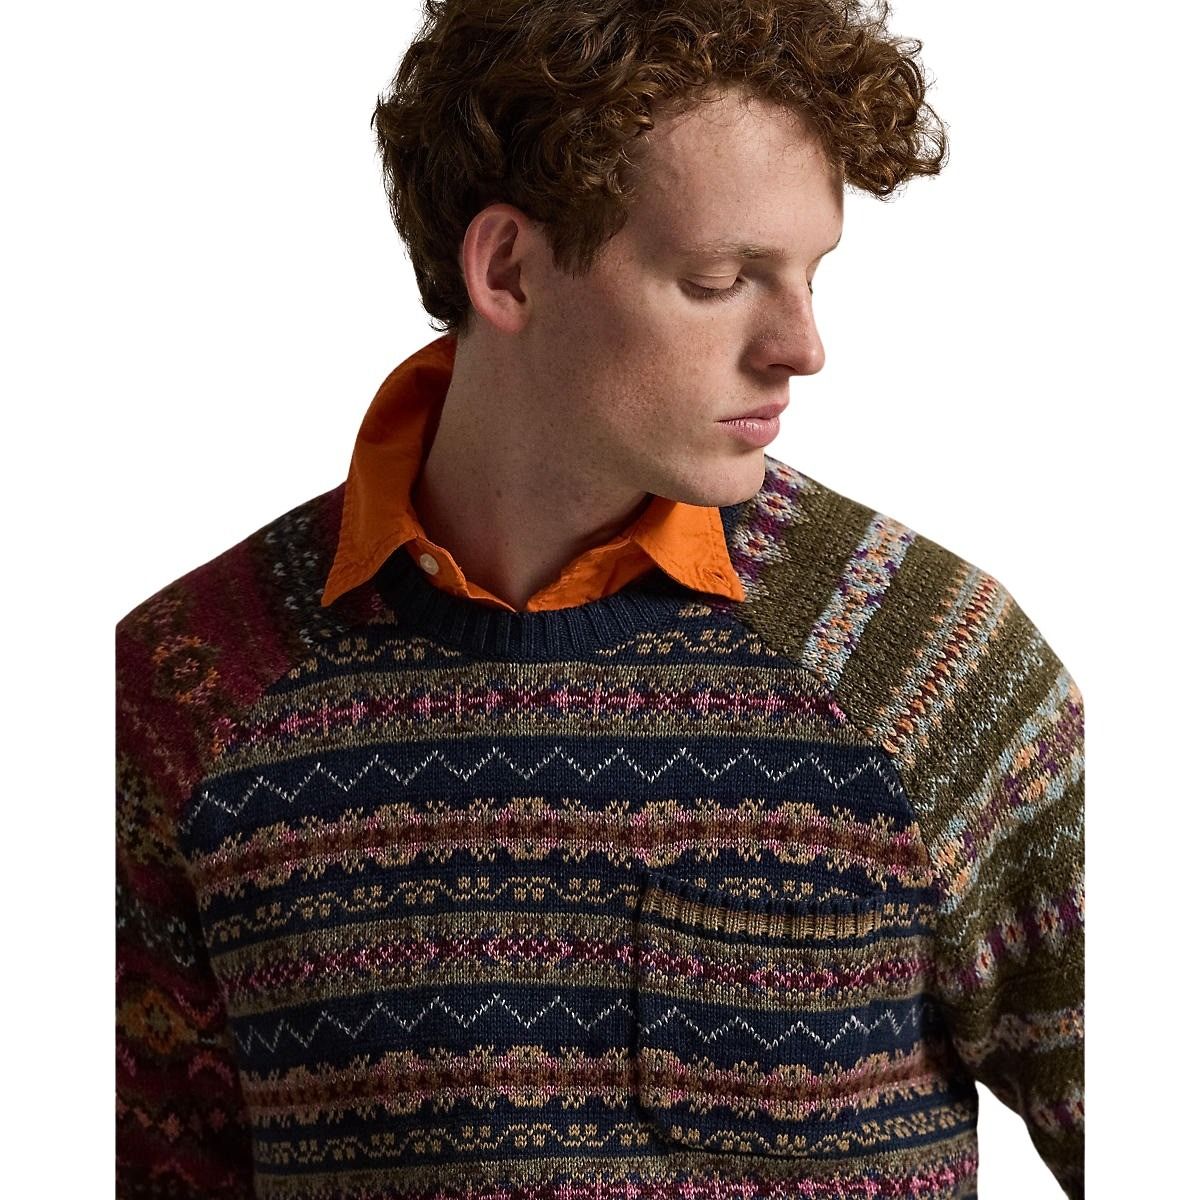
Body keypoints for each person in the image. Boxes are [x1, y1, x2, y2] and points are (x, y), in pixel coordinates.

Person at [115, 2, 1084, 1197]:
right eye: (720, 279)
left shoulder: (927, 668)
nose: (802, 346)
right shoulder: (186, 697)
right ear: (508, 269)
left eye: (811, 274)